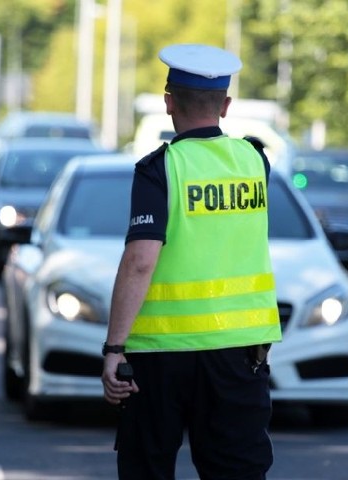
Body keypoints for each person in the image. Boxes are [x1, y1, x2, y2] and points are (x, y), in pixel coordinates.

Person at [101, 43, 283, 480]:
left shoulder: (159, 168)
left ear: (168, 102)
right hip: (239, 353)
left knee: (148, 468)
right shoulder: (255, 161)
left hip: (159, 357)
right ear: (225, 105)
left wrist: (114, 348)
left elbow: (141, 261)